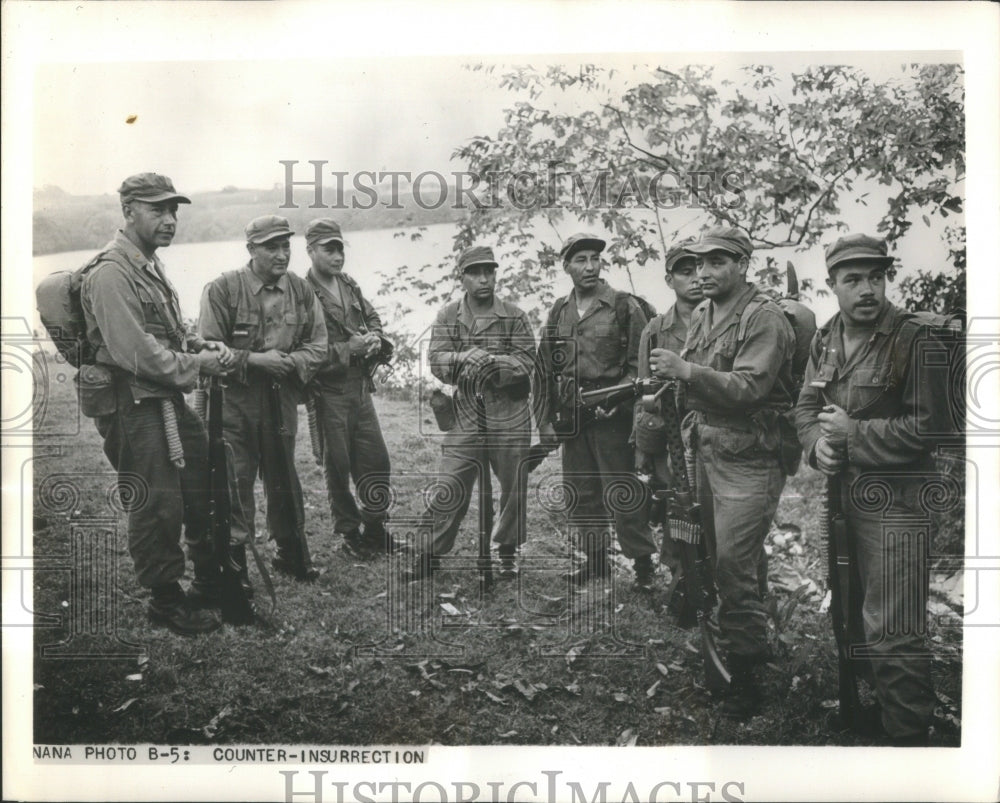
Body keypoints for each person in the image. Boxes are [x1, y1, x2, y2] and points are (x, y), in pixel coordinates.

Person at [794, 233, 951, 746]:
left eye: (876, 277)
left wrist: (854, 435)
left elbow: (934, 429)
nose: (867, 289)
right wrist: (818, 444)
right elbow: (804, 409)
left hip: (899, 506)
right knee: (852, 613)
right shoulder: (827, 337)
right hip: (844, 499)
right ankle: (873, 713)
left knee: (895, 628)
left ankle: (909, 741)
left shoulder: (914, 337)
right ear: (832, 284)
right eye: (854, 279)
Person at [647, 225, 795, 717]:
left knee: (735, 567)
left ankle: (748, 677)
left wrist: (686, 373)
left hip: (750, 458)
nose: (705, 273)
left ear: (742, 265)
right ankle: (734, 647)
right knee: (709, 559)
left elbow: (751, 387)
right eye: (698, 264)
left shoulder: (765, 318)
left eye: (717, 262)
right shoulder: (706, 312)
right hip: (705, 449)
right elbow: (693, 383)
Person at [80, 172, 233, 636]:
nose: (169, 220)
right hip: (132, 405)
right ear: (128, 212)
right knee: (154, 502)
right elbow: (137, 353)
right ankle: (165, 600)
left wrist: (201, 344)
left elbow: (164, 333)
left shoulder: (147, 264)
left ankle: (209, 579)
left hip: (159, 396)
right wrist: (199, 366)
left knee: (203, 472)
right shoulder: (111, 272)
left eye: (173, 211)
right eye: (157, 210)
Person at [199, 215, 327, 582]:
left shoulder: (301, 290)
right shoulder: (223, 289)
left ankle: (291, 552)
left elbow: (318, 345)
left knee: (283, 473)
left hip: (282, 395)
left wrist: (289, 364)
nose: (281, 254)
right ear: (251, 249)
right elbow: (208, 349)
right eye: (271, 246)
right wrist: (255, 361)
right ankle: (234, 563)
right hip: (234, 400)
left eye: (286, 245)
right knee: (235, 480)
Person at [402, 245, 536, 582]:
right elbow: (436, 360)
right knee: (451, 481)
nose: (483, 279)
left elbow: (529, 362)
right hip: (466, 410)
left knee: (513, 482)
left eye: (489, 272)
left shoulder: (515, 316)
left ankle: (506, 550)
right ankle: (429, 551)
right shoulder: (449, 316)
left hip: (509, 410)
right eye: (475, 273)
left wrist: (495, 364)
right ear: (461, 277)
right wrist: (463, 358)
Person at [538, 233, 657, 590]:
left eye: (594, 259)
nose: (590, 267)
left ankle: (643, 568)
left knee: (623, 492)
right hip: (573, 416)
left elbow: (642, 367)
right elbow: (544, 368)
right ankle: (596, 563)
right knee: (582, 491)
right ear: (566, 267)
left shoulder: (624, 306)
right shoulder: (559, 310)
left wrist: (616, 401)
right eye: (580, 260)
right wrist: (544, 420)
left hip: (613, 418)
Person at [303, 219, 399, 559]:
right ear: (311, 250)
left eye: (340, 247)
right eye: (329, 248)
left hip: (360, 389)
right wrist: (349, 350)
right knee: (337, 467)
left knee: (376, 460)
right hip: (328, 393)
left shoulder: (348, 284)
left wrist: (375, 337)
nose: (337, 255)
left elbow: (372, 317)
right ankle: (349, 535)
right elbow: (304, 354)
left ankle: (375, 528)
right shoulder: (303, 294)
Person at [634, 239, 702, 583]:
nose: (695, 278)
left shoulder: (728, 322)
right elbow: (645, 391)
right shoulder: (656, 329)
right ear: (669, 280)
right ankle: (681, 579)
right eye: (685, 272)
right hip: (671, 437)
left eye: (700, 269)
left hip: (710, 433)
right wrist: (644, 448)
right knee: (677, 510)